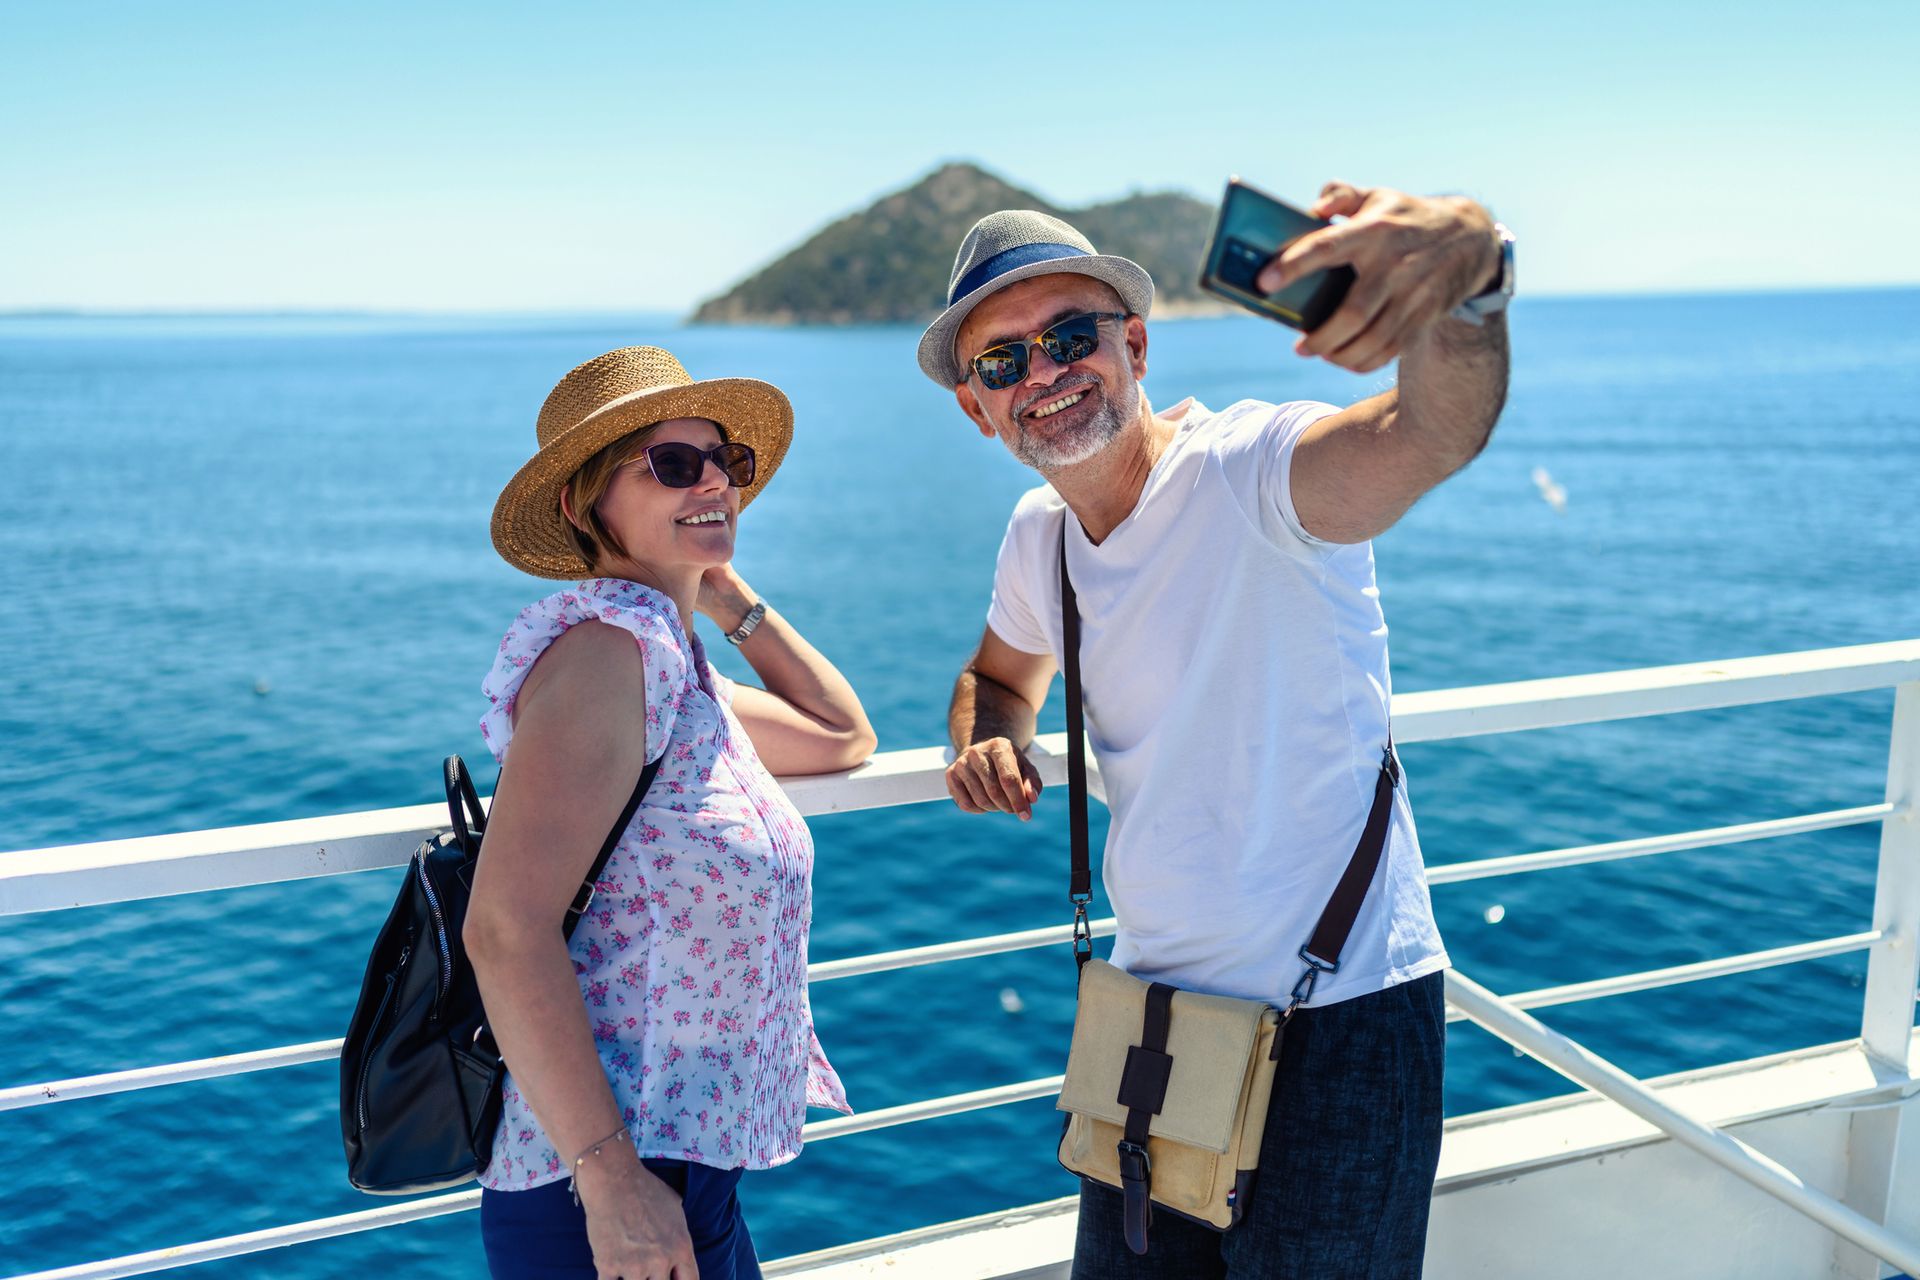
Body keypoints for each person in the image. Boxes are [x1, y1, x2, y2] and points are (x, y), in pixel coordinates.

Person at [927, 183, 1512, 1277]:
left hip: (1337, 1020)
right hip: (1150, 1026)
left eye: (1067, 336)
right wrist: (987, 732)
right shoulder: (1036, 538)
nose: (1042, 373)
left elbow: (1428, 429)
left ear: (1134, 343)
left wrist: (1470, 287)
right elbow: (996, 673)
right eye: (1003, 362)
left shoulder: (1255, 470)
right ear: (977, 408)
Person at [466, 346, 875, 1280]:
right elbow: (504, 928)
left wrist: (720, 585)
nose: (715, 484)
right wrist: (612, 1187)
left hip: (687, 1179)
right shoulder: (607, 656)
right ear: (582, 504)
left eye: (725, 464)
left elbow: (843, 733)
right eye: (673, 466)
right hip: (608, 1191)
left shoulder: (678, 668)